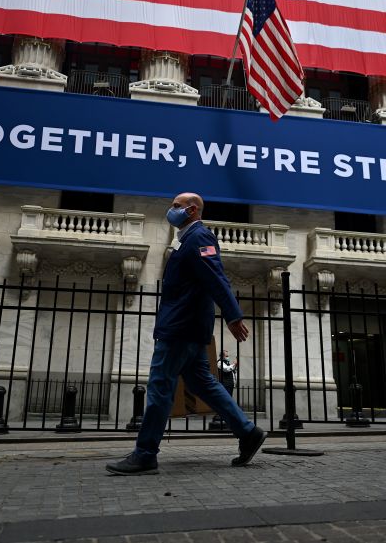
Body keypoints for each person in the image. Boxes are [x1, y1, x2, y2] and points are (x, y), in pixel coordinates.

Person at [106, 192, 266, 475]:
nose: (171, 210)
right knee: (204, 384)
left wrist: (233, 314)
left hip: (180, 328)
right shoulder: (186, 239)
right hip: (190, 328)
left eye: (176, 206)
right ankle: (247, 431)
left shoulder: (199, 237)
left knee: (160, 385)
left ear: (192, 210)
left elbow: (216, 276)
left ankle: (145, 454)